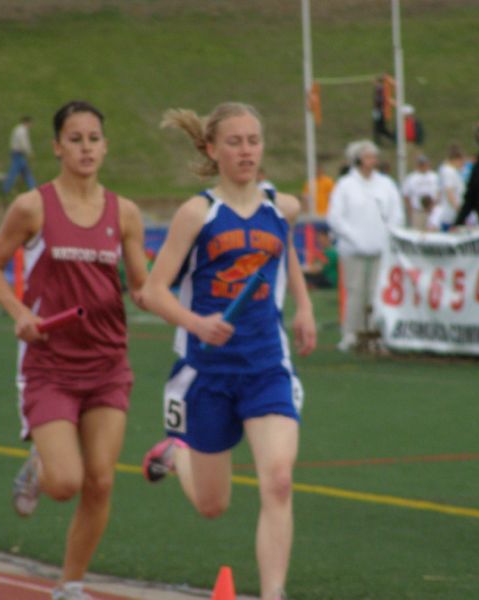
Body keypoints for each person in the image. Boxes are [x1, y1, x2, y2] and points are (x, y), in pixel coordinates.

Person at [139, 102, 316, 600]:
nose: (246, 151)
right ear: (213, 149)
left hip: (266, 367)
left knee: (278, 481)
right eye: (235, 142)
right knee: (213, 505)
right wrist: (197, 323)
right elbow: (151, 292)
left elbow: (284, 252)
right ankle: (177, 456)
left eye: (254, 141)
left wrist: (302, 306)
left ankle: (273, 593)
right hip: (207, 372)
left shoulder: (282, 208)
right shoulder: (197, 214)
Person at [0, 100, 149, 600]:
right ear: (56, 147)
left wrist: (189, 304)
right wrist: (20, 314)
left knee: (100, 481)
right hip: (51, 364)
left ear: (105, 144)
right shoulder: (33, 206)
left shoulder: (126, 212)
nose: (86, 148)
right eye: (75, 139)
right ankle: (39, 464)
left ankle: (70, 586)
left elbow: (141, 286)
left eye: (94, 138)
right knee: (65, 483)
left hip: (107, 364)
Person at [327, 140, 405, 352]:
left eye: (374, 156)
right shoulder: (345, 185)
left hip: (380, 249)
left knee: (376, 292)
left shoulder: (386, 184)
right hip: (353, 250)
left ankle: (373, 333)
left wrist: (389, 234)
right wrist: (354, 238)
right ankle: (351, 333)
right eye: (368, 156)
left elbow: (396, 213)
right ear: (358, 159)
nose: (373, 160)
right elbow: (335, 217)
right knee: (354, 291)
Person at [428, 144, 467, 231]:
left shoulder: (446, 170)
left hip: (449, 213)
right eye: (462, 162)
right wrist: (460, 211)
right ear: (457, 160)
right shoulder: (449, 172)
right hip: (451, 215)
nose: (463, 165)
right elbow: (449, 193)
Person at [402, 154, 439, 230]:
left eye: (425, 164)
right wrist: (410, 211)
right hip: (418, 211)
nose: (423, 166)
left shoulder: (434, 177)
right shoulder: (411, 178)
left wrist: (435, 205)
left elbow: (439, 192)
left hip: (432, 211)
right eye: (421, 164)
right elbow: (406, 195)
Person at [2, 115, 37, 194]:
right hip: (18, 154)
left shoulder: (18, 129)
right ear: (26, 122)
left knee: (25, 172)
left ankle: (33, 188)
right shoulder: (22, 131)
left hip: (16, 153)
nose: (31, 125)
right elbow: (24, 143)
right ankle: (5, 188)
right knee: (14, 172)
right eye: (30, 123)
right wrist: (29, 152)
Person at [372, 74, 396, 146]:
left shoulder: (382, 88)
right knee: (377, 127)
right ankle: (377, 141)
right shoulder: (379, 88)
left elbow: (381, 99)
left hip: (380, 111)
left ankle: (393, 138)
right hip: (377, 111)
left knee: (381, 128)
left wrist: (381, 79)